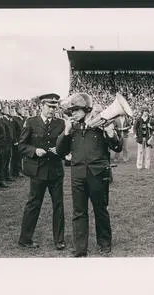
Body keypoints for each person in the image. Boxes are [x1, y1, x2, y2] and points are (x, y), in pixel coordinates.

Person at [56, 92, 123, 257]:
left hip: (98, 174)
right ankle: (80, 248)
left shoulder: (101, 124)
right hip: (78, 174)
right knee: (79, 212)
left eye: (77, 110)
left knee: (100, 209)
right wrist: (66, 132)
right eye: (72, 111)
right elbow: (60, 150)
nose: (73, 113)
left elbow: (118, 147)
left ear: (86, 109)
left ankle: (105, 244)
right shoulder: (72, 128)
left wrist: (110, 133)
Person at [18, 93, 66, 249]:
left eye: (54, 107)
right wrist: (34, 150)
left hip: (55, 171)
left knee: (58, 206)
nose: (52, 110)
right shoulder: (31, 123)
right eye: (49, 106)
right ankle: (25, 239)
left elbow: (66, 145)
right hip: (38, 171)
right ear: (41, 106)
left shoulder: (61, 124)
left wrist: (60, 150)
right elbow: (22, 146)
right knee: (33, 205)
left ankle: (59, 240)